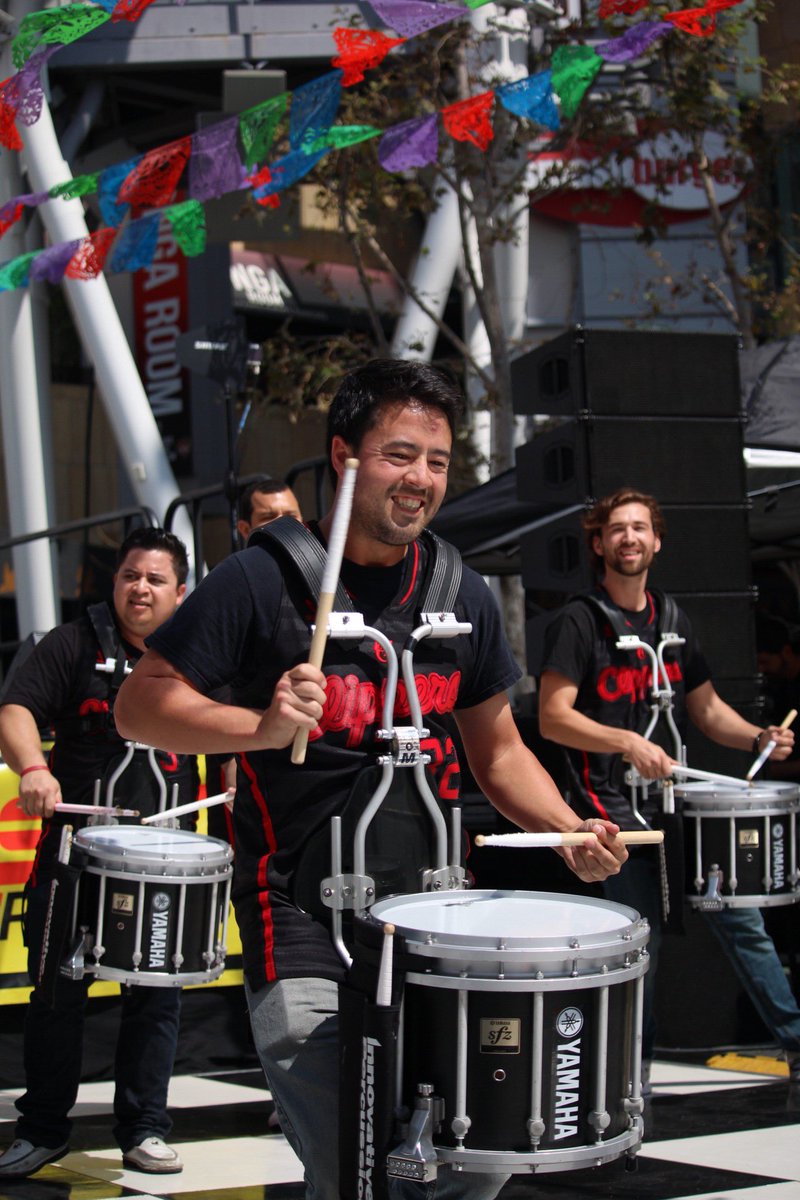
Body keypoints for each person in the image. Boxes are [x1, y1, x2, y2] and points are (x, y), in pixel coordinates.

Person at [114, 359, 630, 1200]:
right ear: (345, 457)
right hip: (302, 922)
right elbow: (142, 706)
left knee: (467, 1165)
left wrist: (566, 827)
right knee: (357, 1167)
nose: (421, 479)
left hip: (432, 926)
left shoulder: (461, 592)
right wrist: (261, 727)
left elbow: (499, 753)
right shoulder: (265, 577)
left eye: (436, 460)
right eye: (398, 455)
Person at [538, 488, 800, 1094]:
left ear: (657, 541)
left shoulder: (673, 619)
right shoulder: (580, 620)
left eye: (640, 528)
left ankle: (795, 1043)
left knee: (744, 923)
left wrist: (757, 735)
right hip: (613, 812)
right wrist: (625, 742)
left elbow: (706, 712)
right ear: (598, 543)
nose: (629, 538)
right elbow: (554, 716)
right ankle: (634, 1079)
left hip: (677, 807)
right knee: (639, 945)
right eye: (617, 529)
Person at [0, 528, 196, 1179]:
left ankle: (143, 1128)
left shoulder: (203, 652)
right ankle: (44, 1128)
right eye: (129, 576)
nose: (139, 588)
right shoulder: (73, 642)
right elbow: (16, 708)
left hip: (164, 863)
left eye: (155, 579)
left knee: (157, 996)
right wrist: (33, 767)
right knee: (57, 992)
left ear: (181, 591)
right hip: (74, 856)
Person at [237, 477, 302, 544]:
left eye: (291, 516)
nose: (283, 524)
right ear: (246, 530)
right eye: (268, 517)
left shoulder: (313, 553)